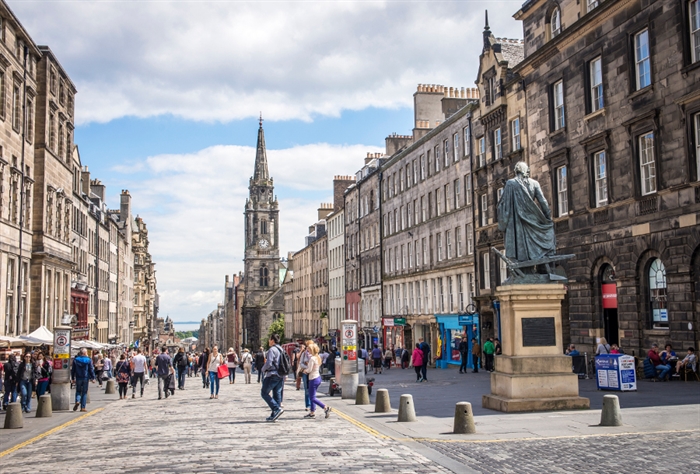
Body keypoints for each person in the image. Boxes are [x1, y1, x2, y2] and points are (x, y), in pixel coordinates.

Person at [497, 161, 555, 263]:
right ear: (526, 171)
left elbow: (503, 206)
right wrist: (548, 219)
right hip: (533, 221)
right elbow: (543, 202)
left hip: (517, 222)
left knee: (518, 247)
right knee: (547, 232)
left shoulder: (510, 184)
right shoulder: (535, 183)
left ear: (516, 171)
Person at [302, 343, 331, 419]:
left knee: (312, 398)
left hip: (313, 378)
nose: (308, 350)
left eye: (309, 349)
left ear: (312, 350)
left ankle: (325, 407)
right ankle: (312, 412)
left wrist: (304, 371)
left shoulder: (312, 358)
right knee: (313, 395)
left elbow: (309, 369)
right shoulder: (318, 357)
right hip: (318, 377)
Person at [260, 334, 285, 422]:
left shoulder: (272, 350)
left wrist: (263, 369)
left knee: (264, 393)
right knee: (277, 394)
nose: (268, 341)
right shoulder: (281, 349)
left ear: (272, 340)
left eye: (269, 339)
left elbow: (269, 363)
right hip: (280, 374)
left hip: (272, 374)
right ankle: (275, 414)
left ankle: (276, 408)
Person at [297, 341, 311, 411]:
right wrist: (306, 366)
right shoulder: (304, 354)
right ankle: (308, 405)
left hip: (312, 373)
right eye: (307, 346)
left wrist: (311, 366)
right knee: (307, 389)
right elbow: (301, 363)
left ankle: (313, 404)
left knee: (312, 389)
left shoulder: (314, 354)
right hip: (305, 373)